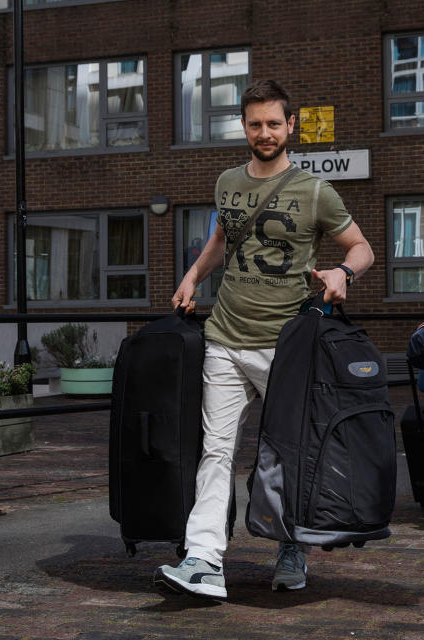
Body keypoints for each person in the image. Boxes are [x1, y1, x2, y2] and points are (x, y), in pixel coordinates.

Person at [153, 79, 374, 599]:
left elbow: (362, 247)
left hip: (286, 347)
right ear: (245, 127)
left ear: (290, 125)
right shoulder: (227, 181)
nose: (265, 132)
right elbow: (221, 240)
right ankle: (204, 560)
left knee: (286, 456)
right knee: (216, 452)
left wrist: (343, 271)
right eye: (255, 124)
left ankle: (290, 547)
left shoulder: (315, 190)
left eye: (274, 123)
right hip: (224, 338)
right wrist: (192, 276)